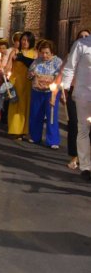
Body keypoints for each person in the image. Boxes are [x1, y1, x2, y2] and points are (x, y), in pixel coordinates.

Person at [61, 32, 91, 181]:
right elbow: (70, 67)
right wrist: (64, 88)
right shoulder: (81, 45)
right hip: (84, 94)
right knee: (83, 128)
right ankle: (86, 166)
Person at [27, 39, 62, 149]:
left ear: (52, 52)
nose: (44, 55)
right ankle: (35, 136)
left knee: (51, 115)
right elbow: (29, 75)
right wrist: (31, 74)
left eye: (47, 52)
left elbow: (60, 76)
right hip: (37, 91)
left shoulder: (58, 62)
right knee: (36, 113)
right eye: (42, 52)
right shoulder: (37, 61)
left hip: (51, 92)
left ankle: (52, 140)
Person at [6, 31, 37, 141]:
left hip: (28, 82)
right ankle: (15, 130)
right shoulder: (15, 51)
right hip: (16, 81)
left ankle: (25, 130)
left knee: (27, 105)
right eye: (23, 40)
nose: (25, 42)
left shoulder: (34, 53)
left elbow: (35, 66)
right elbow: (8, 67)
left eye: (27, 40)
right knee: (16, 104)